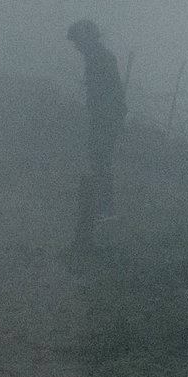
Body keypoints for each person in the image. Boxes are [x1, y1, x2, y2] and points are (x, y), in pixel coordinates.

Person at [67, 19, 128, 234]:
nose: (76, 47)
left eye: (77, 41)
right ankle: (102, 209)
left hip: (105, 119)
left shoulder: (98, 59)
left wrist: (105, 118)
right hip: (105, 118)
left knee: (100, 161)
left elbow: (107, 93)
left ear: (87, 38)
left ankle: (104, 210)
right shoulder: (99, 57)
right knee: (99, 161)